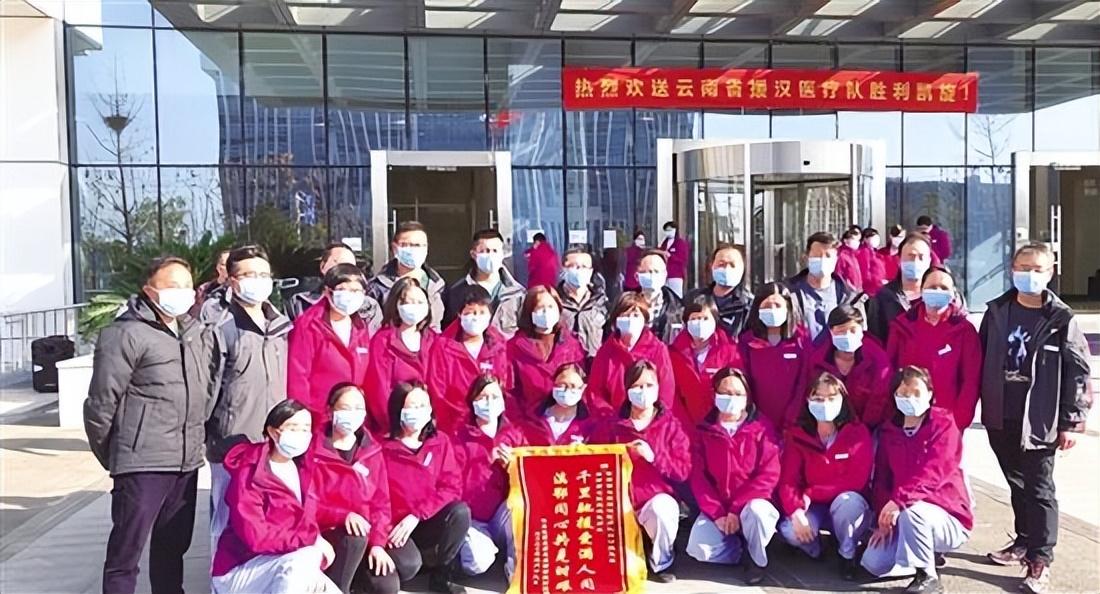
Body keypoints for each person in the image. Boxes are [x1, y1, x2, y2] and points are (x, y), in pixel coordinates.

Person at [84, 256, 220, 594]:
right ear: (149, 290)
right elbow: (101, 403)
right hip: (143, 463)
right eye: (172, 285)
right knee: (126, 553)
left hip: (186, 462)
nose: (182, 292)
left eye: (187, 285)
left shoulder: (194, 332)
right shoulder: (124, 333)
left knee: (172, 549)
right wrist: (117, 454)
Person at [978, 242, 1091, 594]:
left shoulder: (1061, 319)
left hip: (1040, 419)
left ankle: (1040, 559)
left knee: (1040, 488)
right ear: (1012, 269)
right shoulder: (997, 311)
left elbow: (1078, 371)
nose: (1030, 274)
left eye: (1037, 269)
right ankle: (1024, 540)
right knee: (1017, 483)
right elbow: (980, 357)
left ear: (1050, 272)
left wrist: (1072, 421)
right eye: (1023, 267)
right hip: (1001, 415)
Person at [202, 245, 292, 553]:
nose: (258, 281)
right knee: (226, 522)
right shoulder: (220, 327)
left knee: (267, 519)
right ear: (231, 280)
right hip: (231, 444)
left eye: (264, 274)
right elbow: (207, 388)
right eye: (249, 274)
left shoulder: (281, 325)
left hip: (272, 443)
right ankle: (221, 576)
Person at [861, 367, 972, 594]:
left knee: (914, 512)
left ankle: (927, 576)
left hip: (944, 513)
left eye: (916, 392)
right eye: (902, 393)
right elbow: (882, 478)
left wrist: (899, 501)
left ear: (930, 394)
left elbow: (935, 471)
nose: (909, 398)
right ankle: (920, 555)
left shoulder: (943, 424)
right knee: (873, 563)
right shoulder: (889, 431)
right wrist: (882, 516)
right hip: (901, 513)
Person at [211, 400, 339, 594]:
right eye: (293, 428)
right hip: (242, 567)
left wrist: (342, 516)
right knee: (305, 557)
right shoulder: (251, 474)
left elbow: (310, 512)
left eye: (306, 429)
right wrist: (310, 538)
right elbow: (256, 537)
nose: (301, 434)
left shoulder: (302, 468)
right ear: (273, 431)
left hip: (283, 561)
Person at [310, 385, 421, 594]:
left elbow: (381, 503)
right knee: (354, 539)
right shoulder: (314, 450)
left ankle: (357, 576)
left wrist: (377, 544)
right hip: (329, 532)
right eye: (346, 408)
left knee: (394, 578)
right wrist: (341, 515)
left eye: (358, 408)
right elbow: (308, 502)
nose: (352, 414)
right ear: (330, 410)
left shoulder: (371, 450)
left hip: (366, 532)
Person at [593, 360, 691, 582]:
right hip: (617, 502)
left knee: (663, 509)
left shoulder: (671, 425)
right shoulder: (612, 424)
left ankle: (662, 561)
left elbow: (683, 471)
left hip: (652, 501)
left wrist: (655, 456)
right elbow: (593, 457)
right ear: (627, 390)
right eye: (637, 386)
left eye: (649, 385)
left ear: (658, 387)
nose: (643, 391)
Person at [685, 367, 780, 586]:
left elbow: (768, 475)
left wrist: (736, 509)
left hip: (751, 504)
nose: (732, 398)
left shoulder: (762, 428)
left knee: (757, 513)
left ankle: (756, 560)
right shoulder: (704, 429)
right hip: (719, 507)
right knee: (698, 548)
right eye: (725, 393)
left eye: (738, 393)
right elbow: (699, 477)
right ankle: (737, 550)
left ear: (747, 397)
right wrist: (717, 513)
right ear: (715, 394)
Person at [777, 372, 873, 581]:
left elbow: (856, 481)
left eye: (831, 398)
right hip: (813, 507)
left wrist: (811, 492)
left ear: (842, 401)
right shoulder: (797, 434)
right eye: (818, 398)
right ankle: (816, 547)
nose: (824, 404)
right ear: (808, 400)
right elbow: (788, 480)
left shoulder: (857, 432)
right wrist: (795, 511)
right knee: (790, 531)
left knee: (850, 502)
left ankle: (847, 553)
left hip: (844, 503)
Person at [382, 382, 471, 594]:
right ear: (398, 410)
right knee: (408, 566)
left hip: (425, 519)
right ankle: (419, 560)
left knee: (460, 512)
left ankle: (442, 576)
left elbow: (451, 486)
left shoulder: (440, 442)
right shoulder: (382, 449)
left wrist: (418, 514)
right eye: (412, 406)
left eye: (423, 405)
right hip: (396, 526)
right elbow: (376, 497)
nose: (418, 411)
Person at [887, 267, 982, 431]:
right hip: (906, 417)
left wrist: (959, 420)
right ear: (921, 290)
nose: (937, 291)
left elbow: (971, 380)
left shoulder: (964, 331)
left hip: (947, 422)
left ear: (953, 293)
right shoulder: (902, 326)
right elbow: (889, 371)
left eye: (944, 288)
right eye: (932, 287)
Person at [453, 375, 526, 580]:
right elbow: (454, 484)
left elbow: (529, 479)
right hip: (474, 518)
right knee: (477, 563)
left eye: (495, 397)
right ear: (472, 402)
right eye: (483, 397)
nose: (489, 402)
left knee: (519, 506)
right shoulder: (459, 438)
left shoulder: (514, 435)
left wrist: (512, 467)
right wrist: (485, 462)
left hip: (502, 515)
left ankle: (515, 570)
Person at [288, 264, 373, 425]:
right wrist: (304, 419)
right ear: (328, 291)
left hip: (353, 414)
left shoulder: (361, 326)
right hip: (320, 417)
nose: (350, 296)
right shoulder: (309, 325)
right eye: (343, 289)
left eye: (356, 290)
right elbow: (298, 376)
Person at [427, 285, 510, 433]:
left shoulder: (499, 347)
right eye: (470, 312)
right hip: (453, 428)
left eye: (482, 312)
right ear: (460, 314)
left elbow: (505, 385)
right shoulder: (442, 347)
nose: (476, 318)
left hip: (491, 424)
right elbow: (438, 391)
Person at [364, 277, 437, 436]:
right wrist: (393, 426)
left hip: (429, 427)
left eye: (420, 302)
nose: (414, 307)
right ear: (396, 305)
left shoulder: (434, 340)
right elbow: (378, 389)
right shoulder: (382, 341)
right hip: (394, 429)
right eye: (408, 302)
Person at [803, 305, 893, 429]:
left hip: (869, 428)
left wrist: (862, 430)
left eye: (853, 330)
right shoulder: (817, 360)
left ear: (862, 330)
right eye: (841, 331)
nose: (847, 335)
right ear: (831, 331)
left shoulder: (878, 359)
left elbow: (880, 399)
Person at [587, 292, 676, 415]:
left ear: (644, 319)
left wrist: (656, 416)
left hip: (650, 418)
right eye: (625, 315)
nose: (630, 320)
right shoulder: (605, 352)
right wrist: (609, 418)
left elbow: (666, 390)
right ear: (615, 321)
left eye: (635, 315)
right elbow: (595, 392)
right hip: (612, 420)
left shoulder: (658, 349)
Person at [739, 282, 811, 429]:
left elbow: (805, 379)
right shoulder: (747, 342)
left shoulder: (801, 339)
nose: (772, 310)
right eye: (767, 306)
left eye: (778, 305)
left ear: (788, 308)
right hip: (758, 422)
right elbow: (744, 381)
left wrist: (794, 413)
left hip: (794, 421)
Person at [507, 286, 586, 417]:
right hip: (528, 420)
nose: (546, 312)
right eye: (540, 308)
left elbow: (581, 384)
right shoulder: (514, 348)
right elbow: (510, 393)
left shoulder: (572, 345)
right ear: (530, 312)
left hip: (566, 418)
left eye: (550, 307)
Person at [669, 296, 743, 426]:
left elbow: (739, 390)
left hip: (719, 425)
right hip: (684, 425)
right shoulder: (673, 353)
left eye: (705, 318)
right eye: (694, 318)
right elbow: (672, 393)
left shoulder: (730, 351)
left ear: (714, 320)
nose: (699, 323)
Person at [367, 221, 448, 332]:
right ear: (394, 247)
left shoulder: (438, 286)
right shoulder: (377, 288)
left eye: (418, 245)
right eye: (406, 245)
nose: (413, 249)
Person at [445, 228, 526, 337]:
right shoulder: (457, 292)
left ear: (503, 253)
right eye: (485, 251)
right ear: (473, 254)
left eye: (495, 251)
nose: (491, 255)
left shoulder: (517, 293)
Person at [788, 232, 865, 343]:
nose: (822, 260)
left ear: (836, 259)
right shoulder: (789, 293)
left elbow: (860, 335)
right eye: (817, 256)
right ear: (807, 257)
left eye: (828, 256)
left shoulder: (850, 297)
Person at [288, 242, 383, 332]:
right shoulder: (299, 303)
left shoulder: (369, 307)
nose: (344, 272)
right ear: (323, 266)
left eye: (350, 267)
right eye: (339, 264)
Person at [867, 232, 936, 343]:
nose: (915, 262)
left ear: (929, 261)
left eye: (921, 257)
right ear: (899, 260)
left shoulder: (942, 294)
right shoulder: (883, 297)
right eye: (910, 257)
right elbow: (875, 340)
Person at [684, 243, 754, 337]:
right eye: (721, 264)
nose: (726, 269)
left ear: (742, 269)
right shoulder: (693, 298)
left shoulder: (749, 304)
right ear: (712, 266)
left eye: (732, 265)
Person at [522, 362, 597, 446]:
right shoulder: (533, 418)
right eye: (562, 385)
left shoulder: (590, 425)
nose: (567, 390)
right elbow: (516, 438)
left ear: (583, 389)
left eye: (573, 386)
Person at [557, 248, 609, 359]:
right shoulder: (553, 302)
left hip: (594, 363)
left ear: (591, 271)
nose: (579, 270)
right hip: (564, 365)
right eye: (573, 266)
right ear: (563, 269)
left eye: (584, 266)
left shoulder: (602, 303)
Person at [634, 249, 684, 344]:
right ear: (637, 276)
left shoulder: (678, 309)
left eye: (656, 271)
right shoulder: (626, 307)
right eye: (647, 272)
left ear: (665, 275)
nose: (652, 275)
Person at [191, 248, 230, 316]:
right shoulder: (203, 289)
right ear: (218, 267)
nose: (228, 267)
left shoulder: (237, 289)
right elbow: (195, 313)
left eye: (230, 264)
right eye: (224, 264)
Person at [657, 221, 690, 298]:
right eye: (666, 230)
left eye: (670, 230)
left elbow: (683, 259)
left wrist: (670, 256)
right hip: (664, 275)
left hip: (676, 275)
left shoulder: (680, 243)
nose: (668, 232)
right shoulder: (664, 243)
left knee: (676, 296)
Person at [858, 228, 889, 296]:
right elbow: (865, 273)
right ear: (865, 239)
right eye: (873, 237)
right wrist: (878, 282)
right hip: (870, 290)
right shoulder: (864, 252)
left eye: (877, 237)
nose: (876, 240)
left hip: (878, 288)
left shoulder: (876, 253)